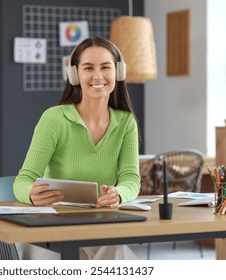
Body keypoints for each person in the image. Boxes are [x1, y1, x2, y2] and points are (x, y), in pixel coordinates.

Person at [13, 36, 141, 259]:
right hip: (50, 227)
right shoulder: (54, 118)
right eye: (88, 68)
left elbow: (131, 178)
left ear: (118, 72)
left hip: (98, 227)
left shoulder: (125, 122)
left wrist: (118, 195)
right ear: (75, 74)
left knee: (116, 253)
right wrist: (31, 195)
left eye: (105, 67)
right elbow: (23, 179)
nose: (98, 76)